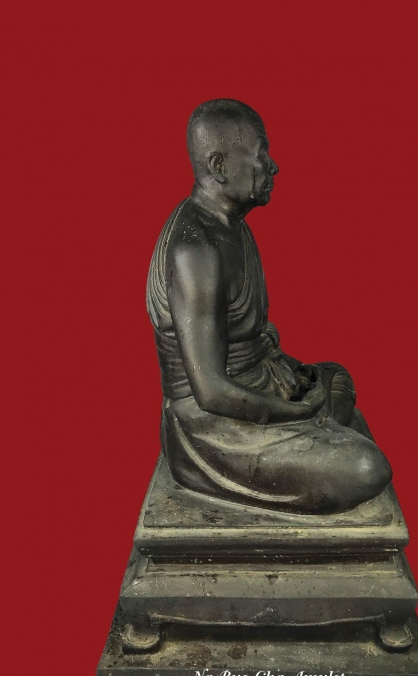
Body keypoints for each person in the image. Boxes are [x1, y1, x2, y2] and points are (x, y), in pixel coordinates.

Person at [147, 99, 392, 513]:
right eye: (261, 155)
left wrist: (298, 381)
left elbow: (254, 344)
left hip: (258, 382)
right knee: (367, 468)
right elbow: (210, 391)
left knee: (336, 377)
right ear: (220, 166)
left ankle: (321, 433)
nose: (273, 167)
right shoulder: (195, 250)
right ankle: (320, 436)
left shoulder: (231, 226)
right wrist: (297, 412)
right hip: (211, 427)